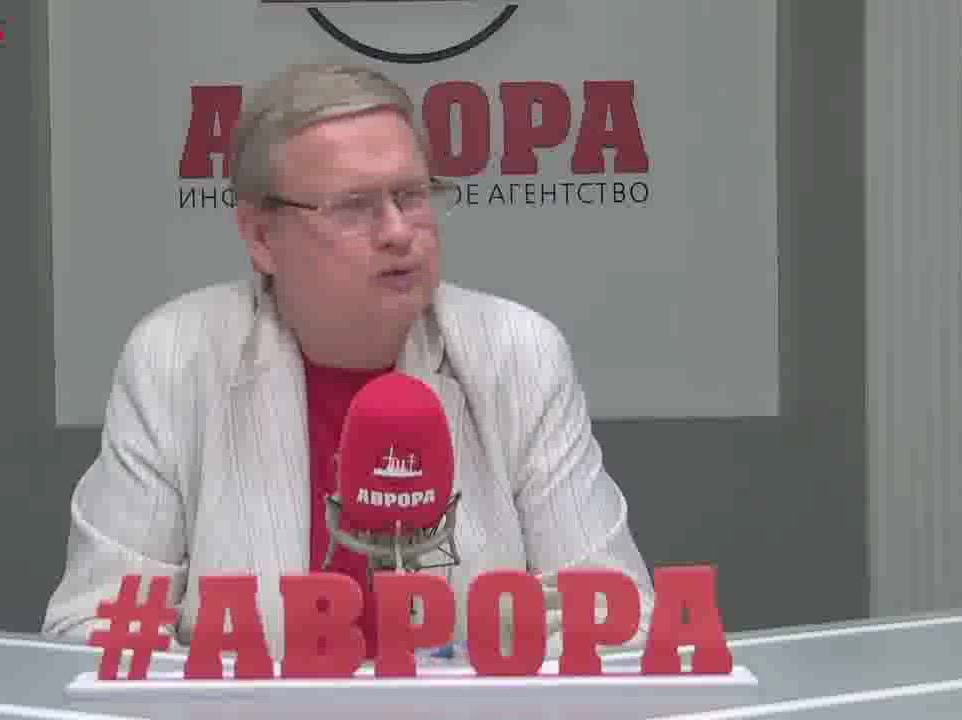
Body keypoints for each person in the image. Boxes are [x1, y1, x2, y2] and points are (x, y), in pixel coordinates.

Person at [42, 63, 654, 661]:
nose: (398, 231)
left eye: (411, 195)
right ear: (261, 237)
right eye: (354, 206)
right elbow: (92, 633)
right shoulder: (176, 357)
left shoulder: (517, 354)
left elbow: (616, 625)